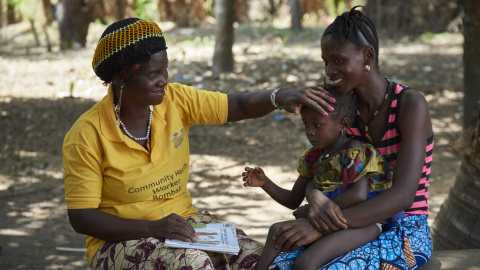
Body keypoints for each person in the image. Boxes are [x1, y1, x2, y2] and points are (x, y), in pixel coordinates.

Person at [62, 18, 330, 270]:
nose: (164, 80)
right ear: (122, 76)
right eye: (154, 73)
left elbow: (236, 105)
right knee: (193, 263)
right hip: (118, 243)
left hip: (185, 226)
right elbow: (82, 217)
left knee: (258, 258)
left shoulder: (176, 100)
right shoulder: (87, 134)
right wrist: (151, 229)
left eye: (165, 69)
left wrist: (278, 96)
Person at [268, 6, 434, 270]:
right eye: (325, 62)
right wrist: (314, 197)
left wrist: (319, 226)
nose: (329, 71)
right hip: (346, 222)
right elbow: (318, 169)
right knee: (281, 263)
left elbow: (402, 196)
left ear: (368, 56)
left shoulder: (410, 104)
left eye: (338, 60)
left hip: (403, 229)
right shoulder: (344, 110)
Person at [242, 87, 404, 270]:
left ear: (343, 124)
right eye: (306, 125)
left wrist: (314, 211)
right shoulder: (313, 157)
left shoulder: (353, 151)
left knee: (306, 263)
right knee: (275, 231)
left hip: (362, 222)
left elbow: (358, 195)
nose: (310, 132)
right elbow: (293, 200)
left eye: (317, 125)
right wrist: (265, 183)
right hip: (328, 219)